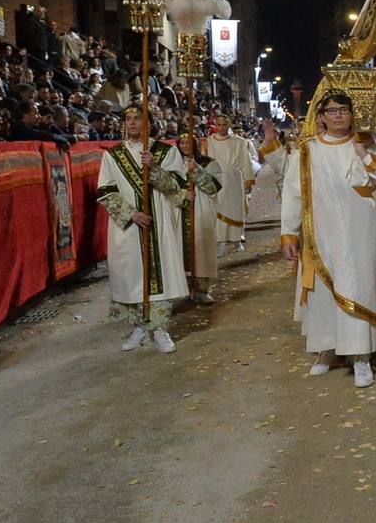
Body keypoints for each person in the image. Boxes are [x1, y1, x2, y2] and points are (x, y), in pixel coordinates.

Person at [280, 93, 376, 390]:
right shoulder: (306, 151)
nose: (337, 116)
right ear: (321, 116)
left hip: (358, 231)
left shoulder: (367, 145)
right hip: (320, 232)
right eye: (331, 111)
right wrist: (289, 233)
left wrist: (365, 155)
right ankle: (327, 349)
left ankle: (360, 357)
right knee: (321, 291)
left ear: (351, 114)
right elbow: (293, 193)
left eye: (343, 110)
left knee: (357, 287)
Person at [95, 104, 190, 354]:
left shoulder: (166, 153)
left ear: (148, 122)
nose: (133, 123)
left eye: (138, 118)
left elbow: (177, 188)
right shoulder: (112, 156)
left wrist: (155, 170)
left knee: (161, 274)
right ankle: (139, 327)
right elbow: (105, 190)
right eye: (128, 119)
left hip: (159, 222)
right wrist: (130, 213)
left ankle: (159, 329)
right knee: (131, 275)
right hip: (128, 227)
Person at [177, 132, 223, 305]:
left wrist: (195, 170)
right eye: (182, 142)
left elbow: (212, 187)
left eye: (189, 143)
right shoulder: (173, 164)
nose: (185, 146)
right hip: (179, 211)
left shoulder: (209, 163)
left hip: (201, 210)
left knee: (202, 250)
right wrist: (182, 194)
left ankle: (203, 289)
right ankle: (183, 288)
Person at [207, 114, 256, 255]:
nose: (221, 127)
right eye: (219, 124)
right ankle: (221, 241)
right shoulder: (211, 141)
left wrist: (248, 179)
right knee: (219, 209)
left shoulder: (239, 142)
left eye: (224, 124)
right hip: (218, 179)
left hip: (234, 179)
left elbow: (245, 161)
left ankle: (236, 239)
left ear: (229, 125)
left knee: (235, 209)